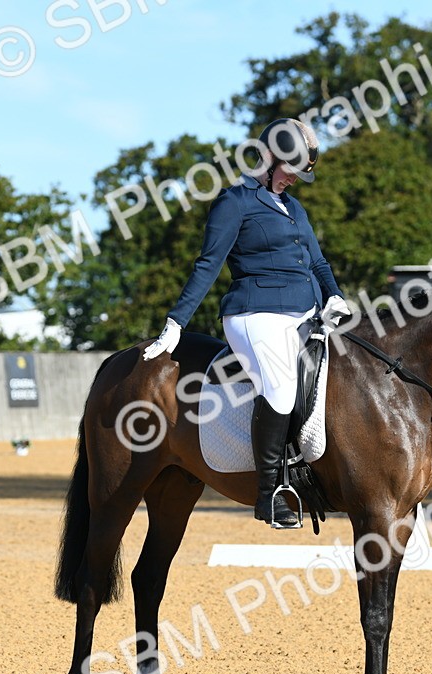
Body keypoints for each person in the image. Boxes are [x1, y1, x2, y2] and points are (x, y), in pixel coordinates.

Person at [142, 118, 350, 528]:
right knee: (280, 388)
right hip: (255, 315)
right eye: (291, 168)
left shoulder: (293, 207)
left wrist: (335, 295)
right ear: (269, 157)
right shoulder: (234, 202)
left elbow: (318, 261)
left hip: (307, 314)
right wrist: (175, 323)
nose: (294, 178)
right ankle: (269, 493)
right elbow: (208, 264)